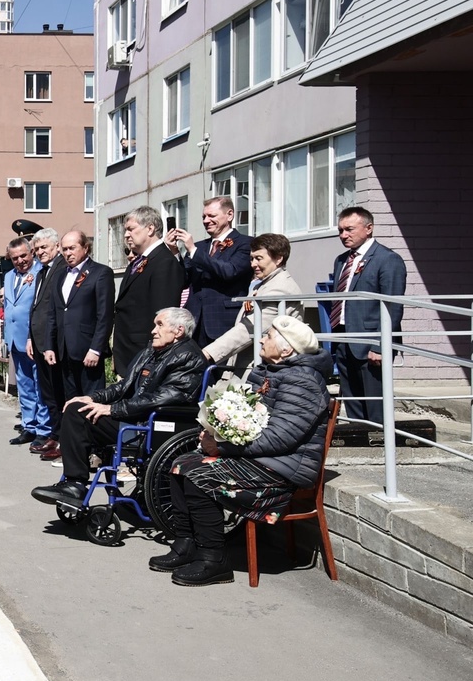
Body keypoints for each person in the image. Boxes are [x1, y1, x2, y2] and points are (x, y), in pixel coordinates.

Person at [153, 316, 333, 587]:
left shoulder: (303, 382)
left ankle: (215, 560)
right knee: (181, 463)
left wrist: (223, 448)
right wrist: (216, 430)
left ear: (287, 350)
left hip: (281, 469)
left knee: (199, 475)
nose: (261, 339)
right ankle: (187, 544)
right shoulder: (271, 372)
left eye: (268, 336)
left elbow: (280, 438)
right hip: (262, 458)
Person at [31, 307, 207, 508]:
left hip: (152, 425)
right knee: (78, 407)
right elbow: (123, 386)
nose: (153, 330)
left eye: (159, 325)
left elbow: (163, 398)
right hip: (136, 417)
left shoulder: (189, 357)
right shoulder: (152, 351)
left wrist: (112, 410)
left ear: (179, 331)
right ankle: (74, 483)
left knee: (77, 415)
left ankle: (75, 485)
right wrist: (91, 398)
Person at [328, 206, 406, 426]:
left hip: (371, 343)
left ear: (369, 228)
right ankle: (359, 441)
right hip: (344, 339)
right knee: (353, 401)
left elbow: (393, 307)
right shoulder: (342, 260)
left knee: (375, 405)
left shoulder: (387, 259)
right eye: (340, 231)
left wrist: (380, 346)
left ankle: (382, 449)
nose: (344, 235)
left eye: (349, 229)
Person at [202, 233, 302, 373]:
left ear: (278, 258)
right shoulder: (261, 284)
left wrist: (207, 353)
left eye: (259, 259)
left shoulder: (281, 287)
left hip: (265, 368)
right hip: (250, 362)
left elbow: (249, 328)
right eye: (252, 259)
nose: (253, 264)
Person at [166, 196, 253, 347]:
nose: (206, 221)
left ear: (230, 215)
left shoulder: (246, 243)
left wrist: (193, 250)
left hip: (223, 322)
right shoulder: (200, 246)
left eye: (211, 216)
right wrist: (174, 252)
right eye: (204, 217)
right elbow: (183, 280)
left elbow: (229, 272)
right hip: (194, 322)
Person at [113, 206, 187, 378]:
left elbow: (163, 316)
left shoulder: (164, 262)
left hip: (144, 356)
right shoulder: (138, 262)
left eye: (131, 229)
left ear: (150, 228)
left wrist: (152, 355)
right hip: (128, 353)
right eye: (125, 230)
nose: (126, 235)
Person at [43, 230, 114, 407]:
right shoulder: (60, 276)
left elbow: (104, 315)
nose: (68, 253)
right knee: (70, 401)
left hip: (87, 350)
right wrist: (49, 346)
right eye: (65, 249)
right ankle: (73, 435)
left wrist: (96, 349)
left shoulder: (100, 273)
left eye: (72, 248)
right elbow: (53, 313)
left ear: (86, 248)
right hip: (63, 350)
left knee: (90, 400)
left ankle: (91, 435)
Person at [3, 237, 51, 449]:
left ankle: (43, 429)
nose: (20, 261)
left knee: (40, 385)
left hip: (34, 339)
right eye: (15, 258)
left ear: (31, 252)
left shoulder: (42, 273)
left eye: (24, 255)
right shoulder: (8, 276)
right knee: (24, 385)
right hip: (15, 338)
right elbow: (8, 306)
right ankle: (28, 426)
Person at [26, 228, 65, 454]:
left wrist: (48, 341)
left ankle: (60, 437)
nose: (40, 252)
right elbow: (37, 308)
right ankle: (54, 433)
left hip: (53, 342)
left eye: (44, 248)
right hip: (39, 340)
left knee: (57, 392)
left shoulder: (61, 269)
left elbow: (55, 309)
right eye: (37, 248)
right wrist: (31, 337)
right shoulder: (42, 271)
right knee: (47, 392)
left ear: (56, 247)